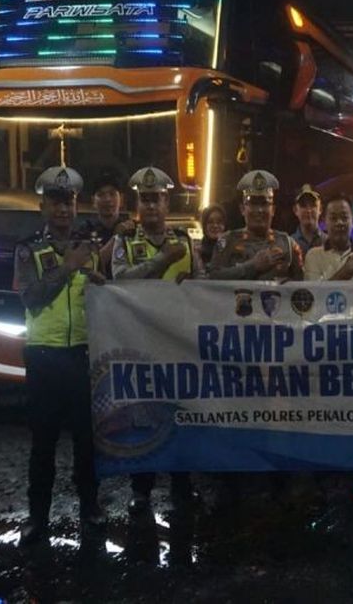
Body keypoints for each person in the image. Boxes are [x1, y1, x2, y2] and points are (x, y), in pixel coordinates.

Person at [12, 165, 107, 545]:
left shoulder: (90, 246)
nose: (64, 210)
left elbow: (103, 296)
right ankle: (38, 516)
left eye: (68, 202)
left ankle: (90, 507)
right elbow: (30, 298)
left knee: (87, 441)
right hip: (44, 356)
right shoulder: (28, 249)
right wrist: (69, 267)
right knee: (43, 443)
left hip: (83, 353)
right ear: (43, 207)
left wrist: (100, 282)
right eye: (56, 202)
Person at [113, 166, 203, 514]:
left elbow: (203, 282)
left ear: (168, 203)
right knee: (143, 419)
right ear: (137, 204)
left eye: (157, 199)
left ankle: (182, 486)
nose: (151, 206)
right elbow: (120, 280)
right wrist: (163, 259)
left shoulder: (185, 240)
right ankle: (142, 490)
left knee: (181, 416)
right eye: (145, 200)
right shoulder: (124, 241)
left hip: (177, 343)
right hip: (139, 343)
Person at [208, 170, 304, 281]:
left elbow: (301, 284)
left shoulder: (287, 243)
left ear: (273, 210)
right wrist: (252, 266)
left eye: (264, 204)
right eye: (253, 204)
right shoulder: (227, 241)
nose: (259, 210)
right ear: (242, 209)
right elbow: (213, 276)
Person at [304, 193, 353, 281]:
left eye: (344, 217)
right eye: (333, 218)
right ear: (325, 222)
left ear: (352, 221)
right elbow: (314, 289)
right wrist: (345, 271)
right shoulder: (314, 256)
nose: (339, 223)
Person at [83, 170, 134, 279]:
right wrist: (116, 238)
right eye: (101, 195)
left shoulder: (132, 229)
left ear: (121, 199)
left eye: (112, 194)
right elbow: (88, 265)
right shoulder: (85, 230)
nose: (107, 199)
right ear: (93, 201)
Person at [291, 184, 326, 255]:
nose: (309, 210)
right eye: (303, 205)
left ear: (320, 209)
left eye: (313, 205)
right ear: (295, 210)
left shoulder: (330, 243)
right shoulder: (289, 245)